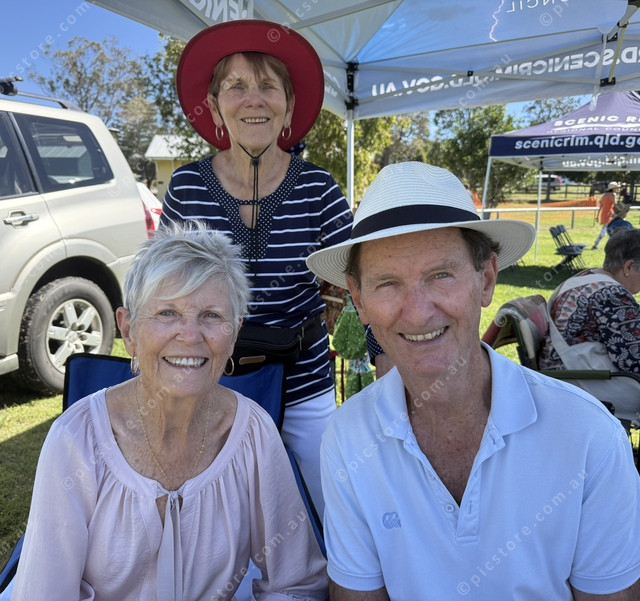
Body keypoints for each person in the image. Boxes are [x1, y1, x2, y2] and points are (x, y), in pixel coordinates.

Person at [306, 162, 640, 600]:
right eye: (388, 283)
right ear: (359, 299)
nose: (417, 312)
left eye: (440, 275)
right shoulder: (348, 438)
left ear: (486, 280)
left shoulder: (589, 436)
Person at [10, 223, 328, 601]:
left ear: (234, 332)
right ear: (129, 330)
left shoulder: (253, 433)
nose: (190, 335)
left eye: (211, 315)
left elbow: (296, 583)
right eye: (167, 313)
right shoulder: (76, 439)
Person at [161, 20, 353, 518]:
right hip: (211, 382)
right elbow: (163, 288)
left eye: (268, 86)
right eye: (236, 86)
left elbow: (359, 278)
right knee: (220, 516)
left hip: (304, 381)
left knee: (327, 508)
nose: (254, 99)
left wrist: (368, 343)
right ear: (214, 105)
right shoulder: (186, 187)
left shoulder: (318, 188)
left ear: (288, 106)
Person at [540, 227, 640, 426]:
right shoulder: (613, 295)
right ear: (628, 267)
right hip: (580, 381)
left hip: (565, 375)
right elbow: (633, 359)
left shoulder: (586, 278)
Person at [592, 181, 618, 249]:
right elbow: (615, 204)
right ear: (613, 188)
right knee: (606, 230)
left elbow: (601, 206)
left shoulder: (604, 195)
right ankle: (596, 244)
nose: (617, 189)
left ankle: (599, 244)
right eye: (616, 188)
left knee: (609, 229)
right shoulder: (613, 195)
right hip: (610, 215)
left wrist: (598, 216)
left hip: (604, 214)